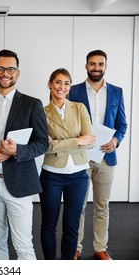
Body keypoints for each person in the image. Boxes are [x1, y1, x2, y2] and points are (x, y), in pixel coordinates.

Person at [0, 49, 49, 260]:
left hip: (20, 184)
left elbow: (42, 143)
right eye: (0, 68)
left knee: (23, 245)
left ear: (17, 73)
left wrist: (18, 150)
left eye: (10, 69)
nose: (5, 73)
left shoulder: (32, 104)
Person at [69, 50, 127, 260]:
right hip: (80, 157)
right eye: (92, 64)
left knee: (102, 205)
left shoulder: (117, 92)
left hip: (107, 157)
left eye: (100, 64)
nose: (96, 68)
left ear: (105, 67)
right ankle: (75, 247)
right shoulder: (73, 91)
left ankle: (100, 248)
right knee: (78, 205)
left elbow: (122, 123)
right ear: (86, 66)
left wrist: (116, 140)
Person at [40, 68, 96, 260]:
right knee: (49, 224)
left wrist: (59, 143)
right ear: (50, 84)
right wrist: (77, 141)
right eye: (57, 82)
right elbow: (45, 146)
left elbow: (91, 139)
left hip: (79, 174)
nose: (61, 87)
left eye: (66, 83)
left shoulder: (79, 108)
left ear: (70, 87)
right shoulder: (41, 112)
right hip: (51, 175)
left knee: (71, 226)